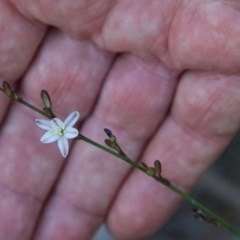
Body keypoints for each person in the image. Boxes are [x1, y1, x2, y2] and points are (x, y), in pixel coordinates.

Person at [0, 1, 240, 239]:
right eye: (58, 131)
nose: (60, 131)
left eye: (60, 130)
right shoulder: (62, 130)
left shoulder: (66, 126)